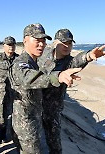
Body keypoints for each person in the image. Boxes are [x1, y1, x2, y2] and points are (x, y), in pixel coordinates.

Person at [9, 23, 82, 153]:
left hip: (34, 121)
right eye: (37, 40)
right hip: (26, 125)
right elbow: (29, 78)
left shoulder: (35, 62)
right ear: (25, 40)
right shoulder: (20, 63)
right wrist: (58, 76)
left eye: (43, 41)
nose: (41, 44)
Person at [38, 28, 105, 154]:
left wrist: (88, 56)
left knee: (54, 143)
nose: (67, 46)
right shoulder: (42, 54)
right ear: (55, 43)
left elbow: (78, 60)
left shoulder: (69, 62)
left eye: (70, 43)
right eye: (63, 42)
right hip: (35, 105)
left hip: (53, 108)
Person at [0, 36, 18, 143]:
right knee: (2, 114)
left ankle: (15, 134)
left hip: (16, 92)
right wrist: (0, 84)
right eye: (9, 45)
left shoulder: (19, 59)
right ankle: (2, 135)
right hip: (3, 91)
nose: (11, 47)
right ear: (4, 46)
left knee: (16, 114)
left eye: (13, 45)